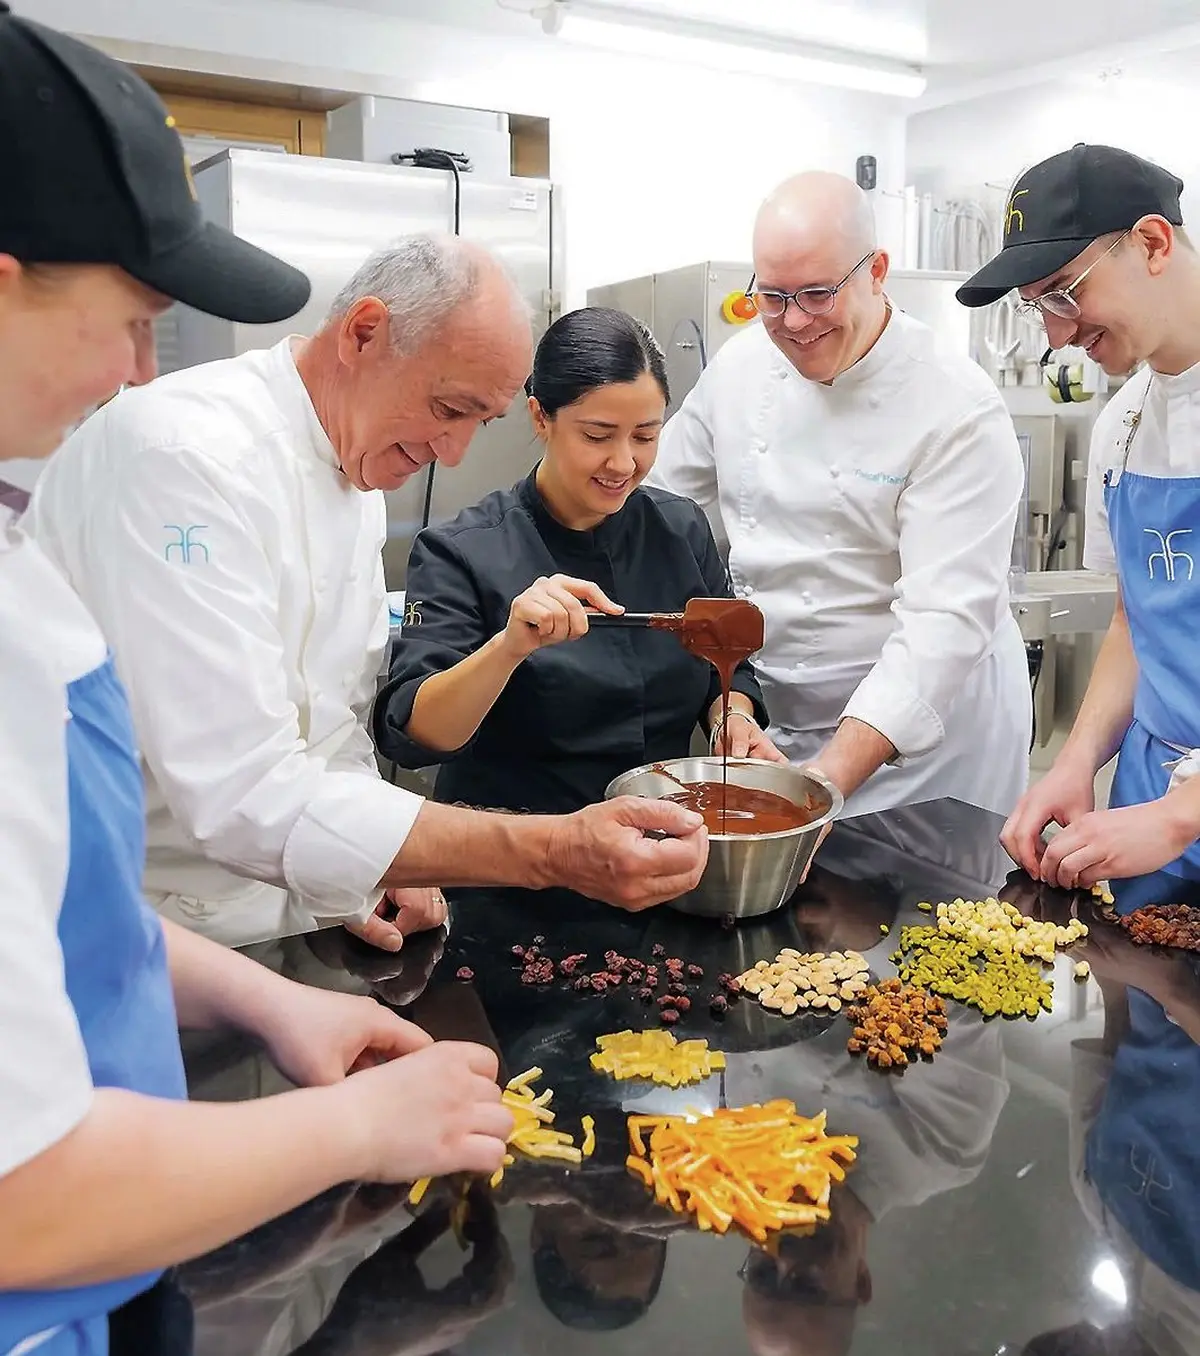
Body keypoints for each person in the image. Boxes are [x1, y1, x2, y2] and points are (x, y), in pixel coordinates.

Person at [0, 11, 516, 1354]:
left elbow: (69, 900)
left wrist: (282, 984)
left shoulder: (332, 484)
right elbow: (22, 1197)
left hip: (187, 1013)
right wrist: (358, 1125)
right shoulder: (175, 457)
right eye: (129, 321)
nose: (134, 373)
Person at [26, 248, 709, 952]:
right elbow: (243, 794)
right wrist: (551, 850)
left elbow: (334, 726)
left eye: (480, 420)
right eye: (449, 409)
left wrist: (377, 862)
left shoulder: (355, 473)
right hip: (141, 923)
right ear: (362, 334)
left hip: (292, 913)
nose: (453, 452)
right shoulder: (183, 460)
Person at [649, 170, 1031, 818]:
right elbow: (655, 511)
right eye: (773, 297)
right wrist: (730, 707)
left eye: (818, 294)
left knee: (918, 915)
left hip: (927, 759)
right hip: (779, 727)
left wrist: (826, 781)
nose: (794, 322)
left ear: (877, 270)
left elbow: (943, 623)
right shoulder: (739, 371)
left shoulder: (956, 407)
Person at [374, 306, 782, 816]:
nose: (623, 462)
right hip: (517, 867)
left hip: (663, 848)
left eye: (645, 436)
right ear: (540, 416)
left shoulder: (682, 529)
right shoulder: (460, 551)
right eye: (597, 435)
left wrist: (731, 720)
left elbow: (731, 663)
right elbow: (416, 733)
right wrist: (508, 648)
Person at [960, 145, 1200, 887]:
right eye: (1038, 307)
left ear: (1154, 243)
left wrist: (1181, 817)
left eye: (1065, 292)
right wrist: (1074, 764)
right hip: (1146, 801)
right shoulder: (1122, 425)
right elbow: (1137, 622)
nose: (1057, 335)